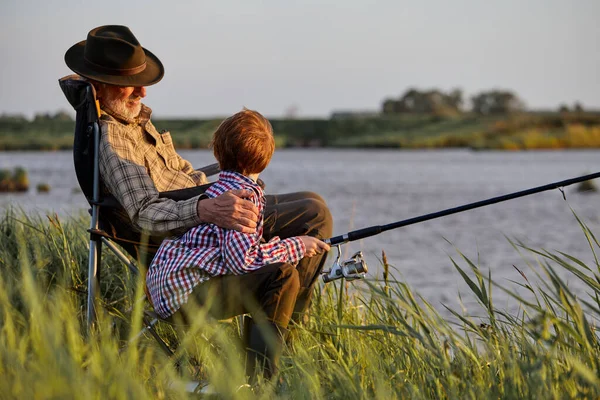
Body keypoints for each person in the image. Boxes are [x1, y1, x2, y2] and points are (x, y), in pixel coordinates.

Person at [63, 25, 332, 379]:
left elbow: (182, 172)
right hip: (189, 229)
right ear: (99, 84)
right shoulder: (114, 143)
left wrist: (227, 178)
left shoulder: (135, 122)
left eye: (142, 80)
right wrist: (208, 207)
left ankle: (276, 339)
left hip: (204, 204)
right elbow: (144, 213)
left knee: (313, 203)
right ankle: (278, 350)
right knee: (313, 215)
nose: (143, 91)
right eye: (131, 83)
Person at [147, 108, 329, 379]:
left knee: (276, 270)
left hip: (170, 288)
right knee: (283, 276)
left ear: (219, 153)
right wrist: (297, 246)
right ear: (265, 159)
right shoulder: (243, 198)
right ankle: (260, 380)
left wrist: (276, 246)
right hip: (185, 298)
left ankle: (259, 369)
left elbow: (234, 252)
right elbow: (241, 260)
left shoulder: (217, 189)